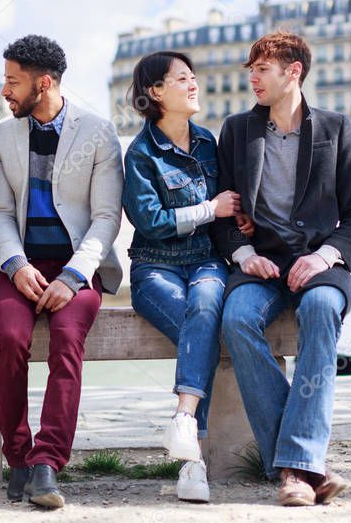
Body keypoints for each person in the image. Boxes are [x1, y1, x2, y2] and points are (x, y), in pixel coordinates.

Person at [212, 31, 351, 507]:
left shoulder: (335, 128)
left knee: (322, 308)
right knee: (237, 319)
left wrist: (324, 257)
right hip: (259, 261)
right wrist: (243, 256)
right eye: (252, 70)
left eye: (262, 69)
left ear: (293, 72)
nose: (253, 78)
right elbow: (224, 214)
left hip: (319, 262)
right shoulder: (237, 130)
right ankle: (303, 463)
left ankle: (293, 468)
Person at [0, 35, 123, 509]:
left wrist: (72, 276)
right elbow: (0, 212)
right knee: (10, 339)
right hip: (18, 265)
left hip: (78, 268)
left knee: (67, 340)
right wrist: (15, 263)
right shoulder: (2, 136)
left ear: (42, 83)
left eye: (12, 81)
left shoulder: (99, 133)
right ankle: (19, 457)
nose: (4, 90)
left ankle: (48, 464)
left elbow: (107, 217)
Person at [121, 50, 254, 502]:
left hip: (206, 262)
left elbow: (226, 208)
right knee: (201, 331)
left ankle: (186, 438)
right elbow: (150, 220)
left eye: (193, 76)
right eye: (182, 78)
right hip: (154, 266)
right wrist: (208, 209)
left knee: (203, 310)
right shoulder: (140, 154)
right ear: (156, 92)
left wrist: (241, 221)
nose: (194, 83)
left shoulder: (207, 143)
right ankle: (192, 461)